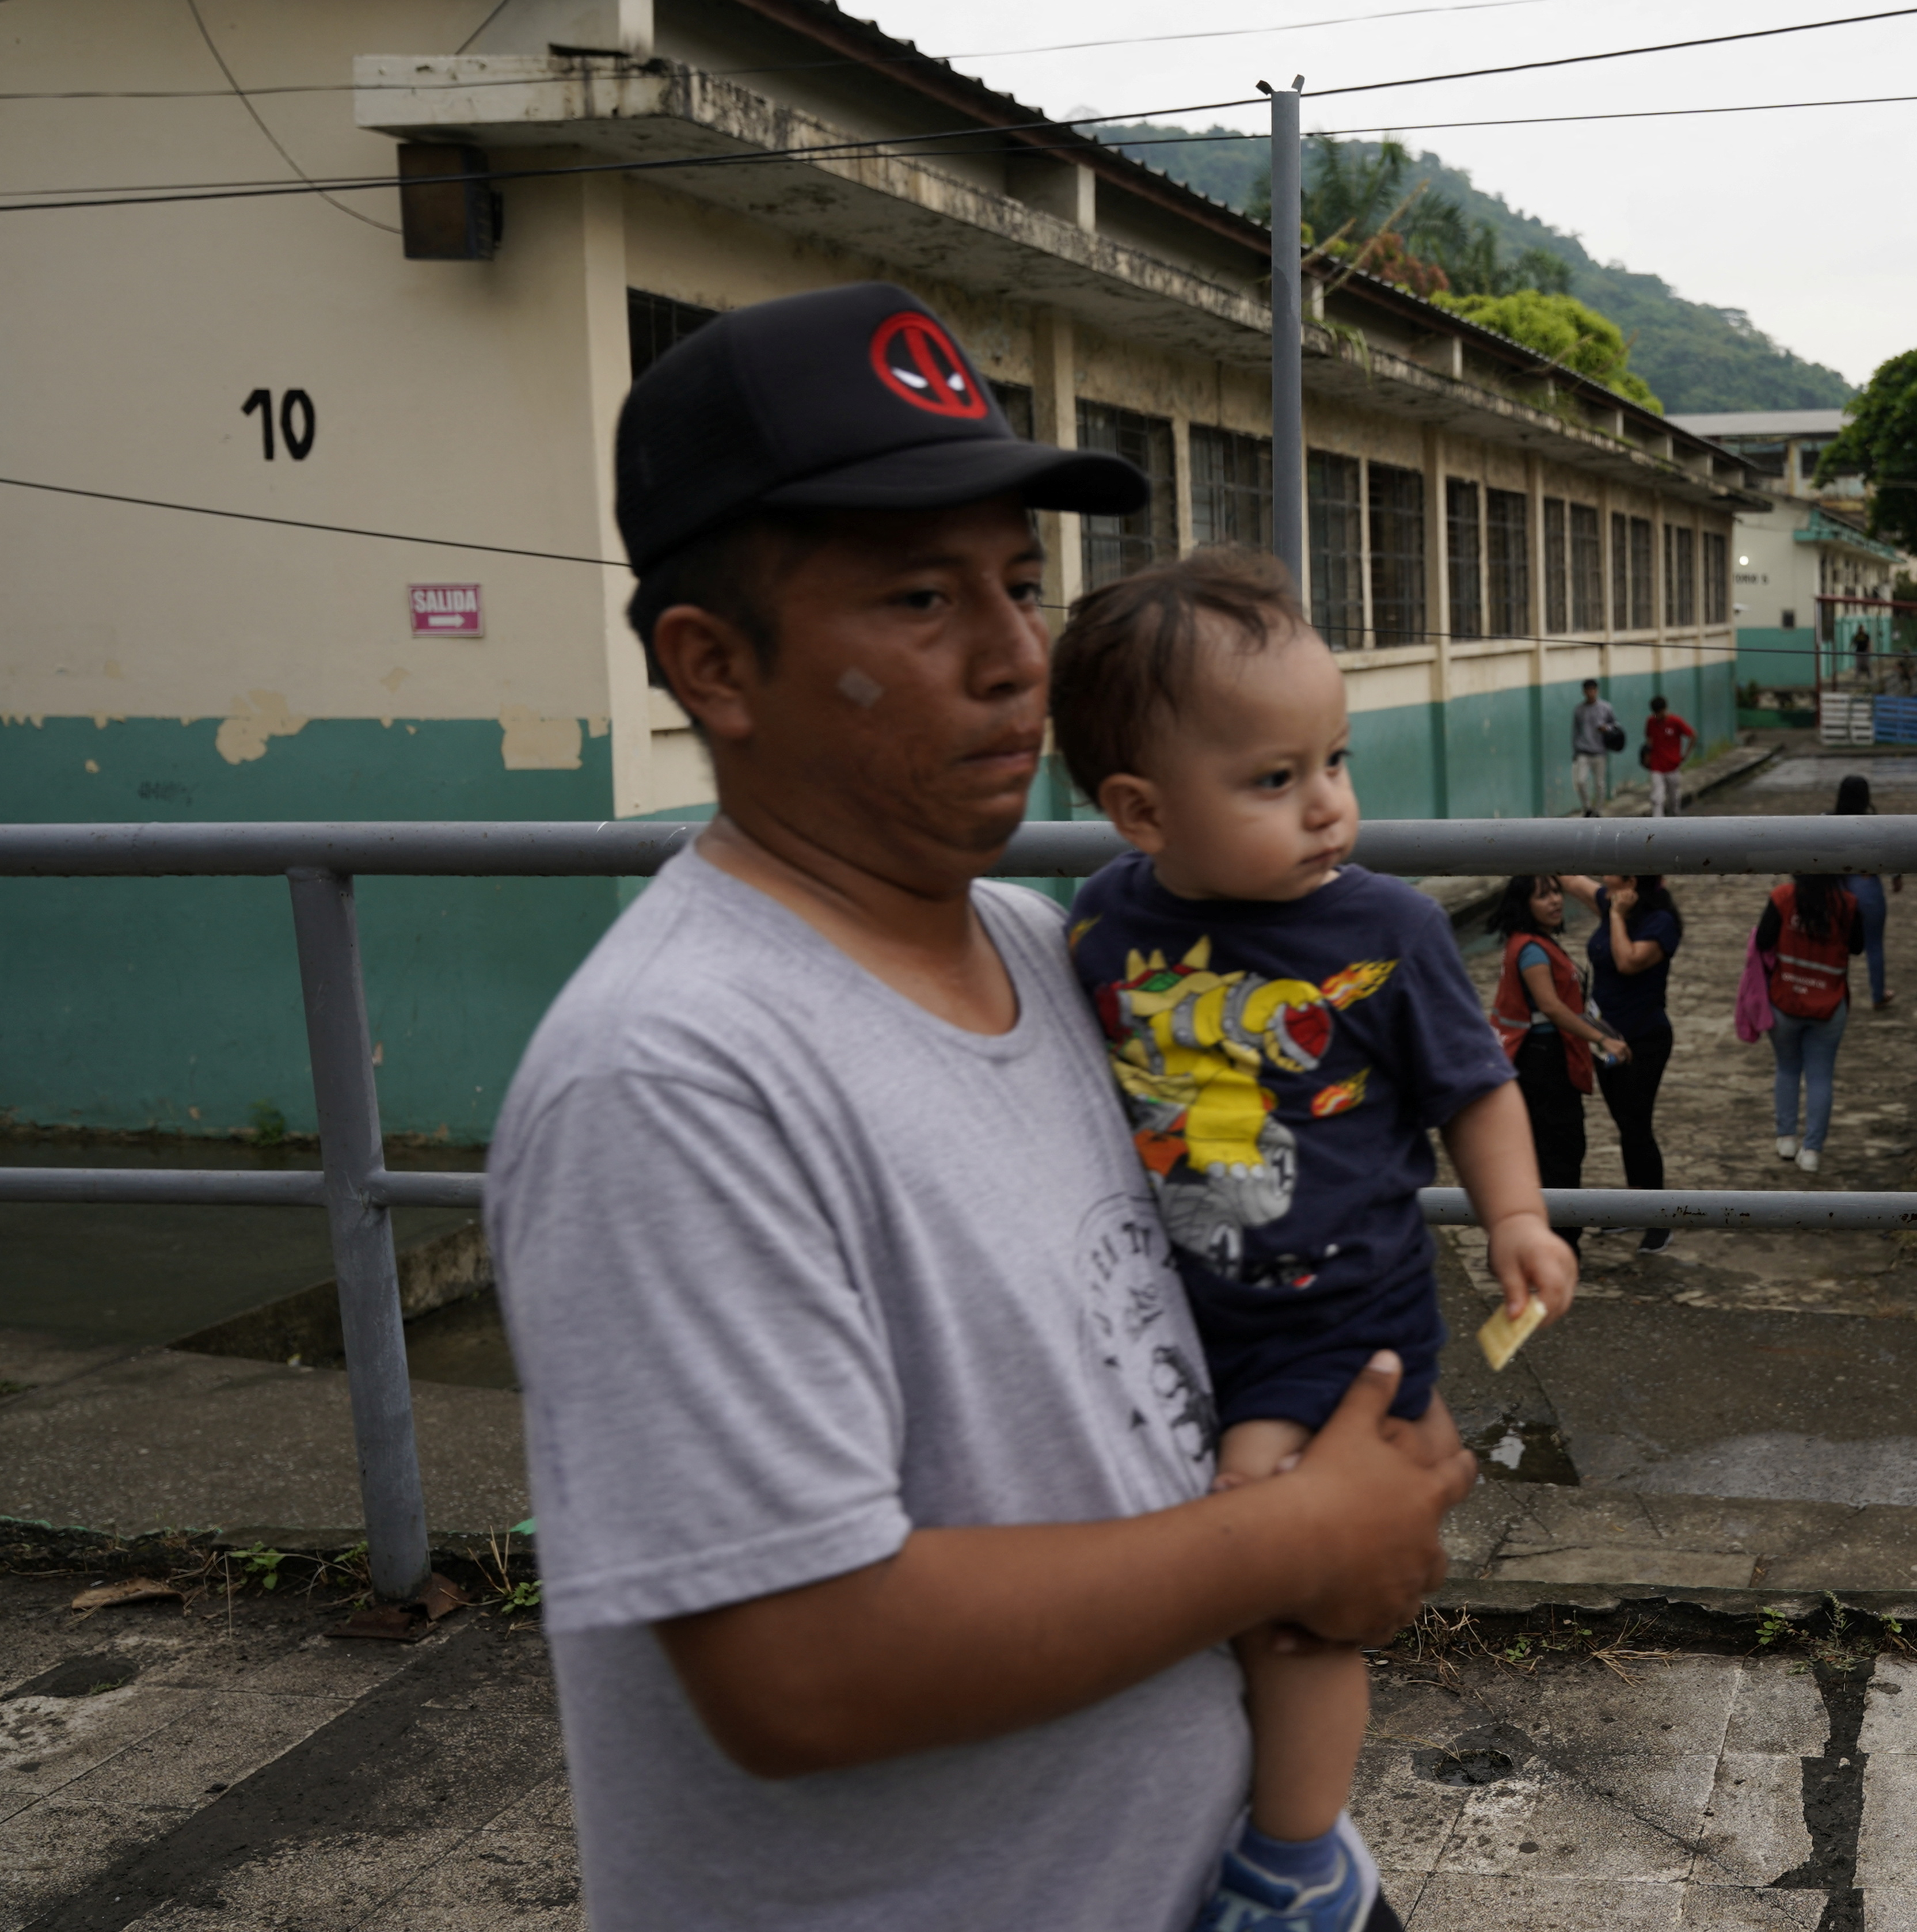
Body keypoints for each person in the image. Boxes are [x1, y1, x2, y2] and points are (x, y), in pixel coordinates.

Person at [488, 282, 1472, 1932]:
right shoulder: (675, 1073)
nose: (1020, 655)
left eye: (1021, 583)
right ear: (712, 666)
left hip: (1226, 1871)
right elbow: (801, 1665)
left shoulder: (1059, 954)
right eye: (920, 597)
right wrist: (1304, 1535)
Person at [1052, 546, 1581, 1929]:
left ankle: (1296, 1859)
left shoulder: (1387, 926)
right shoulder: (1102, 926)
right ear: (1138, 807)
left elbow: (1475, 1088)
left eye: (1333, 760)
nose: (1329, 804)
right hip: (1172, 1313)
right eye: (1273, 780)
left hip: (1331, 1334)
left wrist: (1517, 1218)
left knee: (1279, 1582)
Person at [1486, 875, 1630, 1229]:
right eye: (1542, 896)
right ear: (1525, 905)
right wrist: (1601, 1040)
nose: (1555, 901)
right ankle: (1561, 1241)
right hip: (1543, 1062)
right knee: (1560, 1153)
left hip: (1539, 1060)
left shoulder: (1534, 943)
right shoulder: (1533, 950)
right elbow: (1551, 1006)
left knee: (1548, 1153)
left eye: (1556, 893)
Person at [1561, 871, 1682, 1246]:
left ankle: (1659, 1219)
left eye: (1612, 869)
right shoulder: (1609, 899)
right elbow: (1571, 880)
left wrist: (1615, 917)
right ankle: (1634, 1206)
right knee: (1624, 1123)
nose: (1603, 873)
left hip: (1645, 1038)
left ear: (1631, 882)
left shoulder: (1660, 923)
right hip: (1605, 1037)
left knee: (1637, 1125)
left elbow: (1627, 961)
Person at [1753, 871, 1863, 1173]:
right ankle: (1812, 1151)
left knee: (1787, 1069)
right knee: (1821, 1077)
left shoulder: (1782, 898)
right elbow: (1856, 947)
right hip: (1829, 1004)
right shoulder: (1848, 905)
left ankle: (1786, 1138)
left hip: (1785, 1001)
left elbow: (1763, 939)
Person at [1829, 774, 1900, 1010]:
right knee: (1874, 946)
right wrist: (1896, 877)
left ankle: (1837, 997)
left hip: (1837, 889)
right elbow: (1888, 855)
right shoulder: (1873, 823)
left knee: (1837, 946)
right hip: (1867, 887)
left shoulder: (1825, 820)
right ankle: (1878, 995)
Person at [1639, 694, 1697, 816]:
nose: (1657, 716)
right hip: (1656, 766)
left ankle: (1675, 816)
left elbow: (1693, 735)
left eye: (1659, 713)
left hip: (1672, 766)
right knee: (1657, 797)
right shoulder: (1651, 722)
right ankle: (1658, 824)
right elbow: (1649, 739)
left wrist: (1686, 754)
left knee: (1674, 796)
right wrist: (1647, 756)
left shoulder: (1676, 722)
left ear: (1665, 710)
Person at [1568, 678, 1619, 815]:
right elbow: (1575, 732)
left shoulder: (1606, 707)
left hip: (1599, 751)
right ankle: (1587, 808)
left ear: (1597, 691)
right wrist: (1575, 751)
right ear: (1584, 692)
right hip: (1583, 751)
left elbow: (1615, 725)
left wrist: (1606, 728)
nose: (1591, 693)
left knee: (1599, 784)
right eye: (1588, 691)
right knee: (1580, 781)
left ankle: (1598, 810)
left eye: (1593, 690)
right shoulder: (1579, 710)